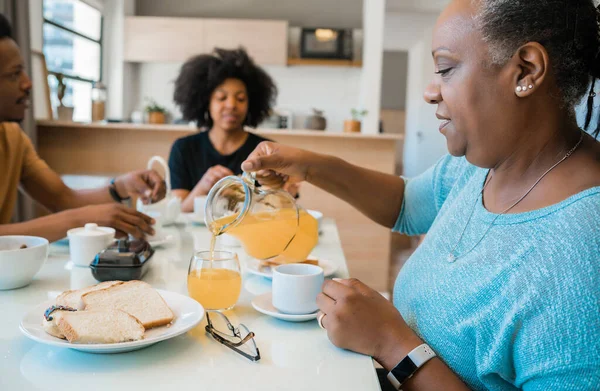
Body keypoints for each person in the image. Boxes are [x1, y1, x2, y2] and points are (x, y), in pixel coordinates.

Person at [241, 1, 600, 390]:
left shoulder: (582, 252)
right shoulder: (487, 163)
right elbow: (408, 204)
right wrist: (310, 166)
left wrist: (393, 344)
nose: (431, 92)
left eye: (446, 69)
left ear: (526, 70)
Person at [0, 13, 166, 242]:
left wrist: (121, 186)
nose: (28, 83)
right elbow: (72, 212)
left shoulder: (12, 138)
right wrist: (78, 220)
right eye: (14, 74)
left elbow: (63, 199)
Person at [168, 48, 279, 212]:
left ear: (251, 104)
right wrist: (205, 185)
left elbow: (275, 210)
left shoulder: (266, 150)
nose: (231, 105)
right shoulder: (183, 149)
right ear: (207, 102)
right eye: (221, 98)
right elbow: (180, 211)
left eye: (240, 99)